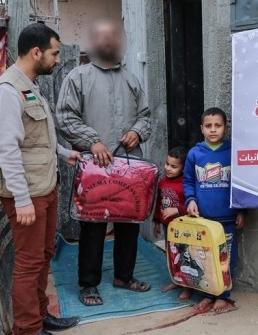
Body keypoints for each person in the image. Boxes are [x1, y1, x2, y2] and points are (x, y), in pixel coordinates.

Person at [0, 23, 81, 335]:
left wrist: (63, 153)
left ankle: (41, 315)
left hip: (44, 186)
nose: (57, 59)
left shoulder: (28, 86)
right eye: (54, 53)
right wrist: (21, 200)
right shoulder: (7, 92)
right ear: (36, 52)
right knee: (29, 261)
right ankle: (30, 331)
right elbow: (7, 150)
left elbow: (36, 138)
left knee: (44, 255)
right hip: (28, 194)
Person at [56, 19, 152, 306]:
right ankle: (88, 284)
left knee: (129, 224)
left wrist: (137, 132)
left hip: (129, 167)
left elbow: (145, 116)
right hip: (94, 168)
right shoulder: (78, 77)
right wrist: (92, 141)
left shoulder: (131, 79)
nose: (109, 42)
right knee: (93, 227)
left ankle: (124, 276)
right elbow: (65, 118)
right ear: (93, 43)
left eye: (113, 38)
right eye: (103, 38)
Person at [184, 107, 245, 314]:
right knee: (204, 258)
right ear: (201, 128)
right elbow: (188, 181)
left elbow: (240, 184)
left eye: (217, 125)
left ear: (225, 128)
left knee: (225, 259)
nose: (213, 130)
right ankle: (207, 294)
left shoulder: (232, 151)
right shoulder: (194, 153)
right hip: (203, 220)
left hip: (227, 220)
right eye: (208, 126)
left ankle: (223, 296)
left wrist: (242, 210)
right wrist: (191, 200)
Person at [153, 146, 191, 301]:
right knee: (172, 255)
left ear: (183, 168)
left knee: (185, 256)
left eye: (174, 166)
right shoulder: (162, 182)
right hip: (167, 226)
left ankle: (188, 287)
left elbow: (192, 206)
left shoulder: (186, 184)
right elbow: (159, 202)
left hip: (182, 228)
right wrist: (156, 221)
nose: (168, 168)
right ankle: (176, 281)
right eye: (167, 164)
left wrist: (177, 210)